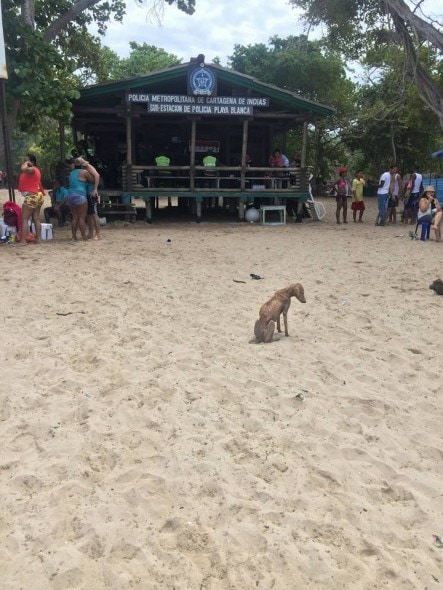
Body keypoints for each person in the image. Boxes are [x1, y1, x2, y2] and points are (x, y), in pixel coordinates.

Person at [56, 157, 99, 241]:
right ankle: (83, 237)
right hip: (80, 196)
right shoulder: (84, 172)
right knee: (82, 218)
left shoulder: (71, 173)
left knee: (75, 217)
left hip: (70, 195)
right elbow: (92, 180)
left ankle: (73, 236)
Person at [18, 153, 45, 244]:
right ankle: (38, 238)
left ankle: (23, 240)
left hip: (32, 196)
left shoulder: (32, 169)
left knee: (24, 218)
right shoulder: (35, 170)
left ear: (32, 162)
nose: (24, 163)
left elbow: (22, 168)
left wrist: (26, 164)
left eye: (26, 161)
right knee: (36, 218)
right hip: (38, 195)